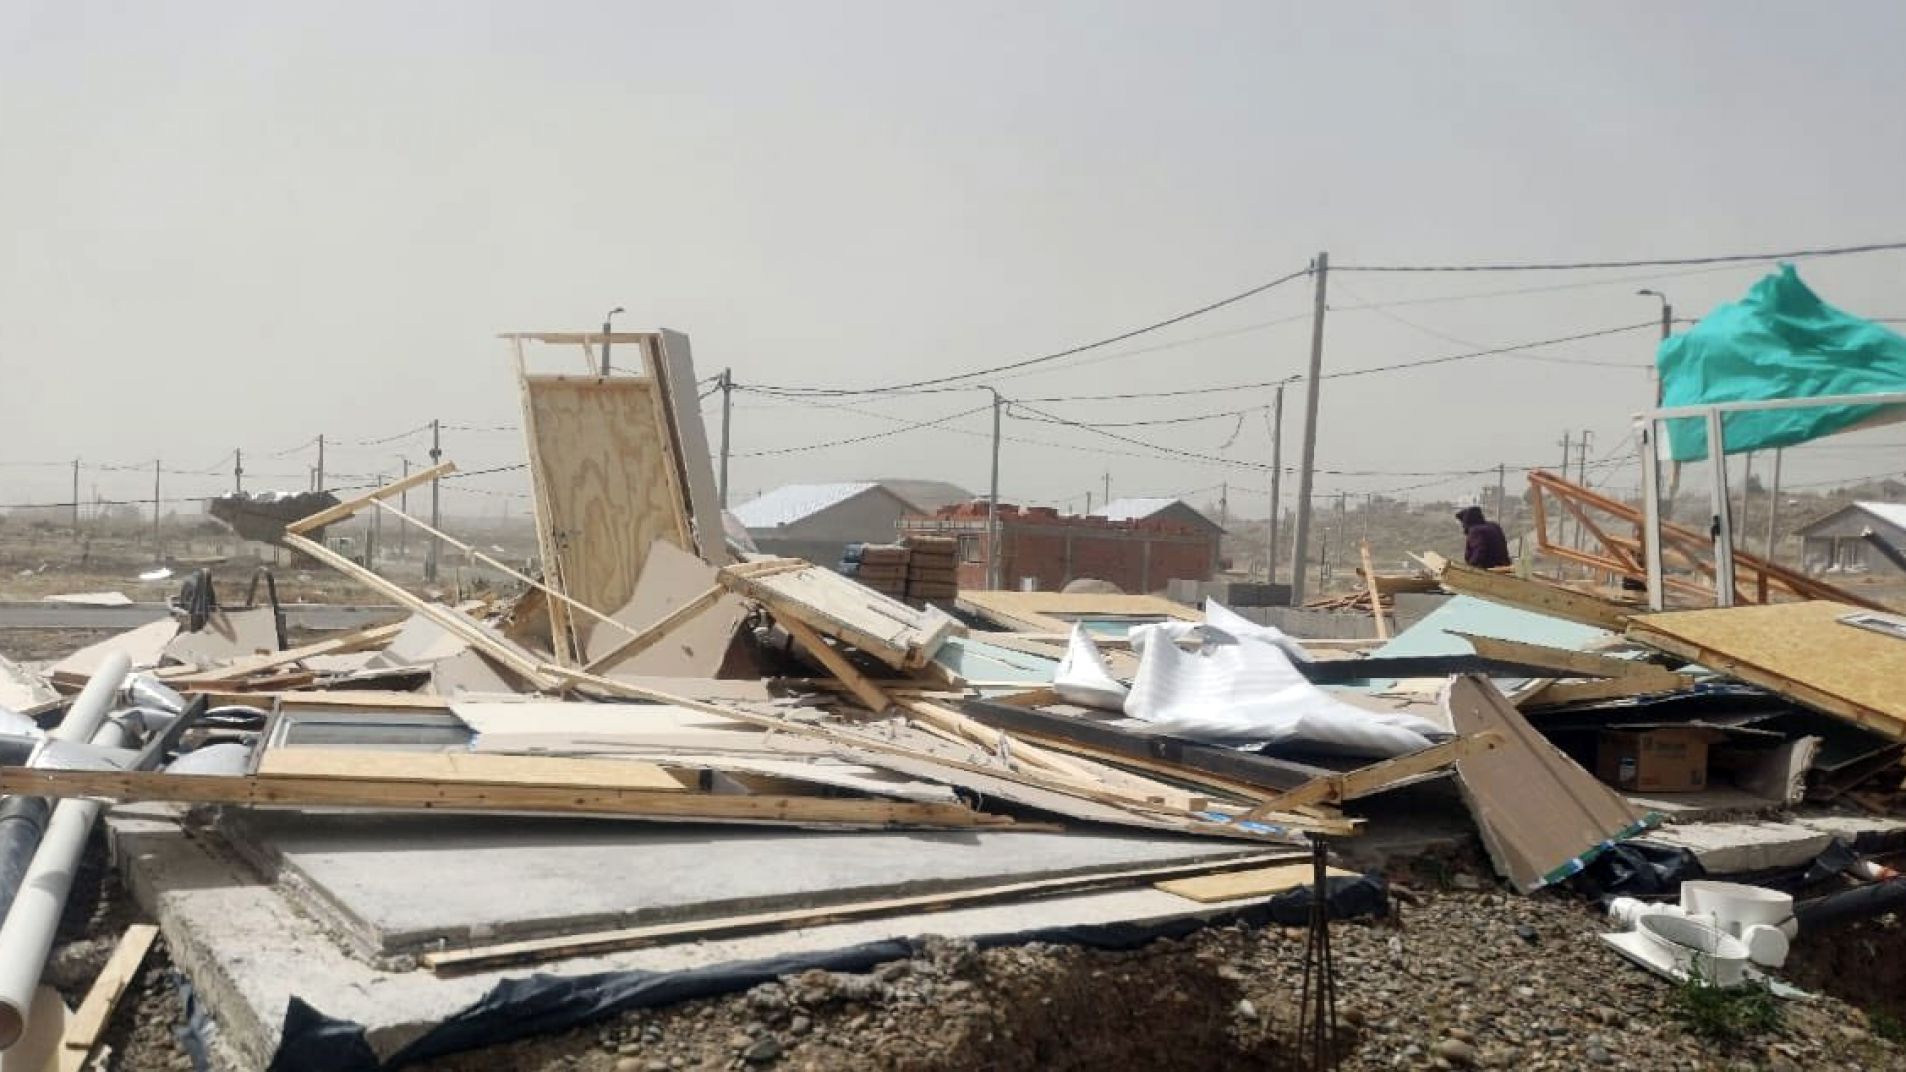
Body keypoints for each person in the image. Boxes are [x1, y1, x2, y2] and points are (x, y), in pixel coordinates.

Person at [1455, 505, 1512, 569]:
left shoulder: (1475, 531)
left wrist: (1470, 568)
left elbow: (1479, 552)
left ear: (1466, 521)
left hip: (1491, 571)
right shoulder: (1494, 526)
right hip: (1504, 567)